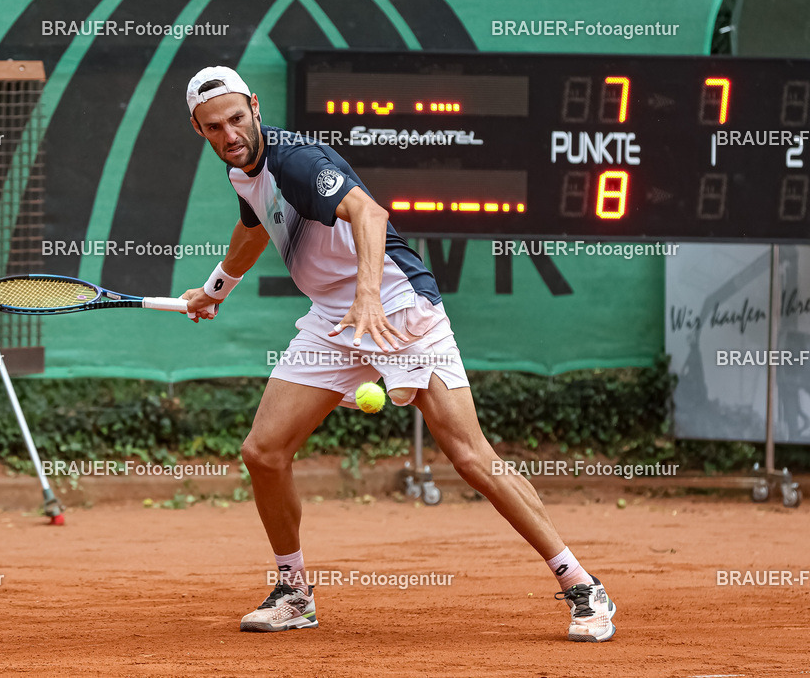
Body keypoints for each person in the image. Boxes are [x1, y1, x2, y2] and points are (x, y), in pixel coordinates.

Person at [180, 66, 616, 642]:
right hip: (333, 323)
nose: (230, 134)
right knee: (263, 452)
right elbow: (256, 227)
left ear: (255, 108)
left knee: (468, 456)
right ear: (200, 130)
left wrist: (367, 299)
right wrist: (215, 291)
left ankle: (582, 586)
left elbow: (370, 214)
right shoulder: (246, 171)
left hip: (399, 311)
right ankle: (294, 592)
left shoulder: (298, 160)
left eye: (237, 119)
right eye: (215, 127)